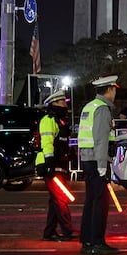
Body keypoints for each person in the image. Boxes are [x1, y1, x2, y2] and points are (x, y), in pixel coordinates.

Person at [78, 75, 120, 255]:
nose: (115, 92)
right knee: (100, 202)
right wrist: (103, 166)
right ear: (109, 89)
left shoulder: (89, 106)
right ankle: (97, 241)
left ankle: (87, 240)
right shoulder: (102, 109)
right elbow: (101, 140)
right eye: (115, 89)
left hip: (87, 159)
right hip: (97, 160)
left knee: (90, 201)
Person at [36, 89, 77, 242]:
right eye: (61, 102)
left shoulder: (60, 121)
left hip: (60, 166)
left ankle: (50, 232)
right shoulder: (48, 120)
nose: (64, 105)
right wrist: (49, 163)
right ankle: (67, 230)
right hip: (51, 166)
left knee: (55, 200)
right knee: (61, 198)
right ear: (54, 104)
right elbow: (47, 143)